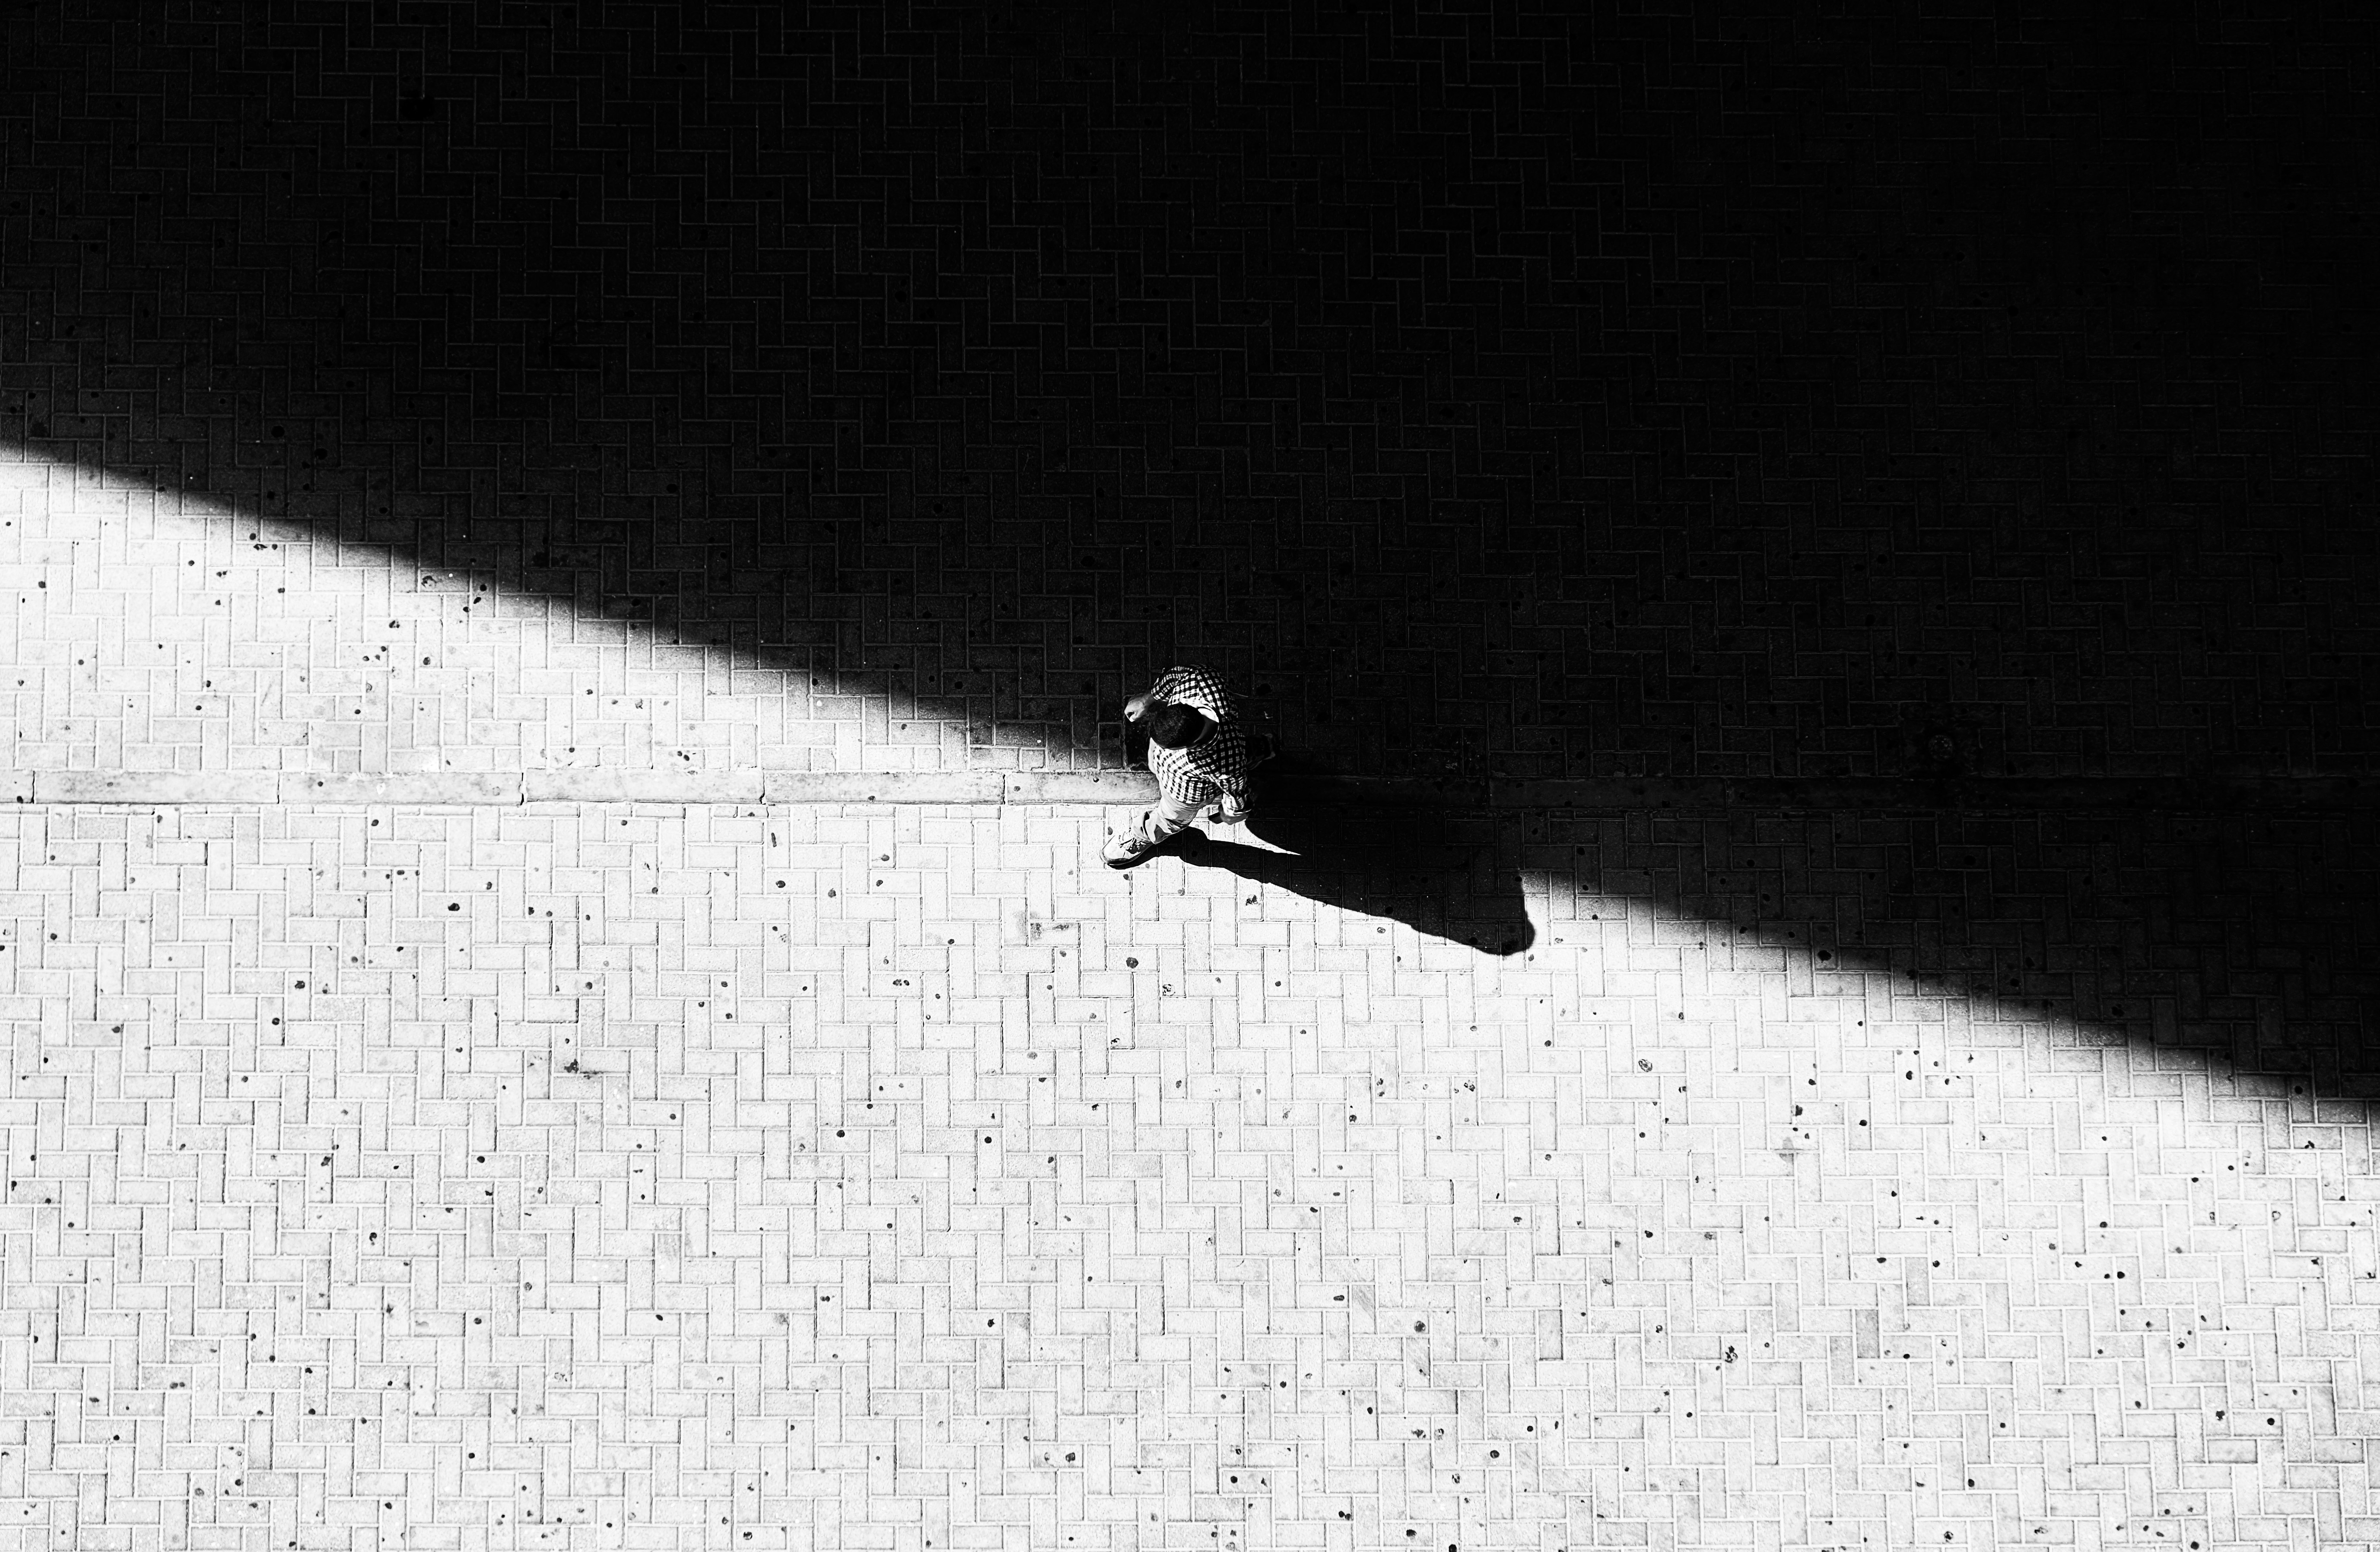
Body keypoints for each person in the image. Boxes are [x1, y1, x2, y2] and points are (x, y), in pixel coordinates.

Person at [1102, 663, 1273, 869]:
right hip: (1232, 750)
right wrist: (1147, 700)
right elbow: (1177, 674)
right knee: (1239, 750)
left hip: (1184, 795)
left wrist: (1230, 813)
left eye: (1168, 749)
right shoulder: (1202, 681)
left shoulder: (1223, 768)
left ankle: (1142, 835)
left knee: (1169, 819)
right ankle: (1265, 747)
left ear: (1190, 747)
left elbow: (1237, 795)